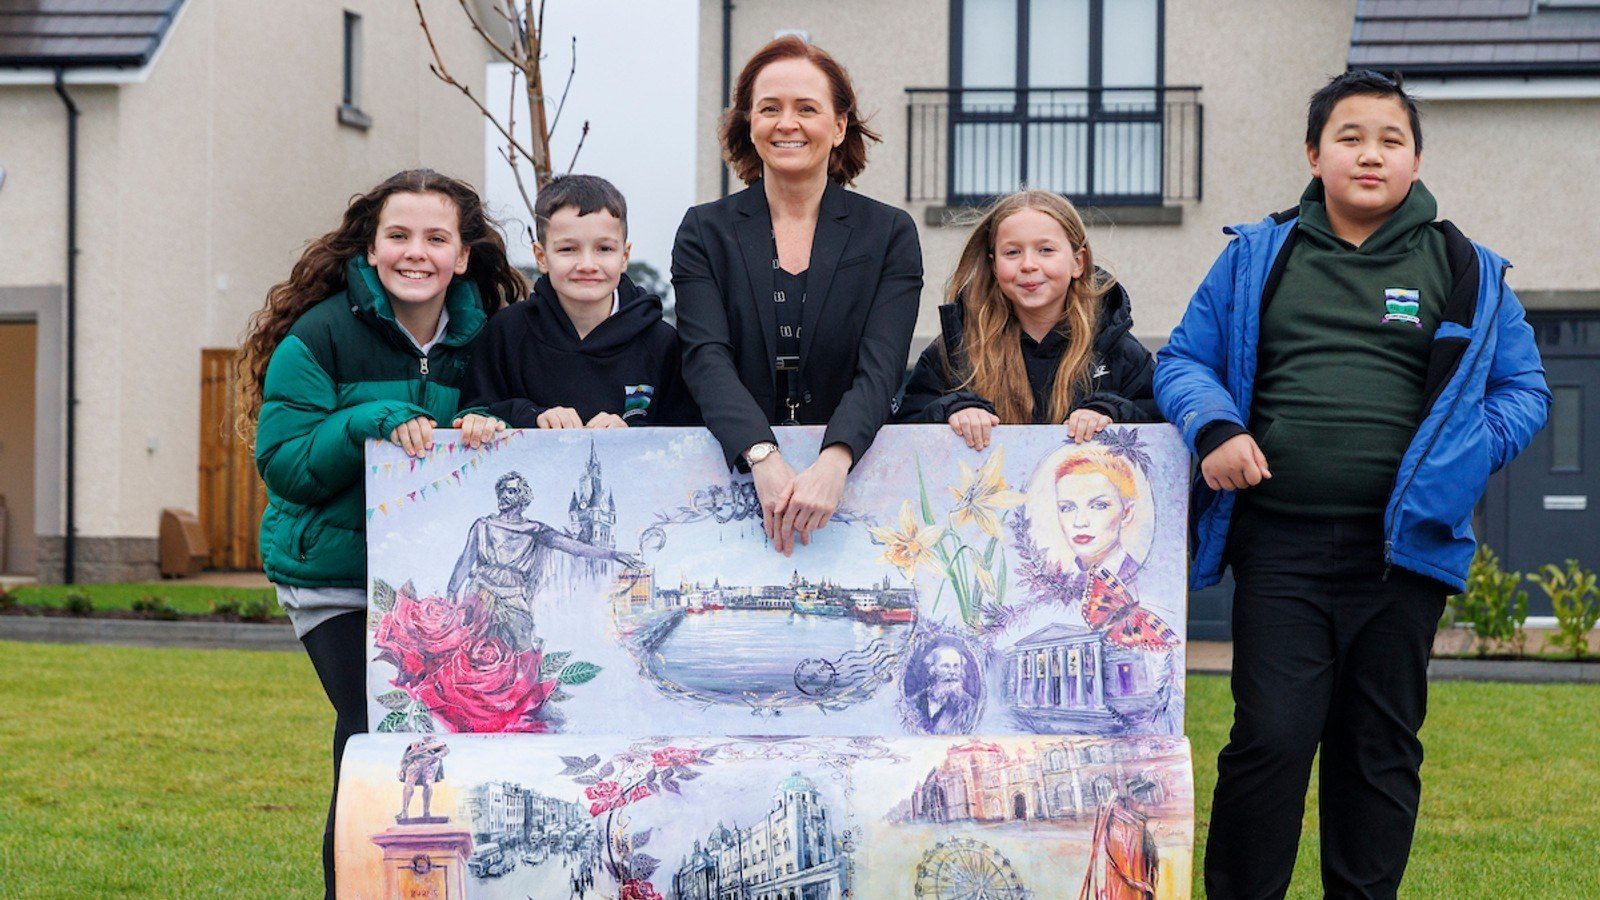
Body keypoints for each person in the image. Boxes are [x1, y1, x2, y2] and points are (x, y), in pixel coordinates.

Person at [1154, 71, 1549, 899]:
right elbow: (1183, 359)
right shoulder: (1257, 256)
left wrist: (1465, 456)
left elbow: (1526, 391)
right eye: (1350, 137)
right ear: (1314, 153)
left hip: (1403, 554)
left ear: (1414, 161)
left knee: (1378, 748)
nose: (1370, 154)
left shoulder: (1466, 267)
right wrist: (1216, 428)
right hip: (1281, 546)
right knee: (1270, 741)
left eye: (1390, 140)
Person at [241, 169, 525, 899]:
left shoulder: (486, 337)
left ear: (463, 256)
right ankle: (352, 886)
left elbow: (509, 422)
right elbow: (287, 465)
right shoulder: (321, 336)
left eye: (436, 238)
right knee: (373, 730)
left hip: (430, 584)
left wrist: (499, 419)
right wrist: (370, 422)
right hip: (334, 575)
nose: (415, 252)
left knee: (436, 738)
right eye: (398, 236)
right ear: (370, 249)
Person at [672, 36, 923, 555]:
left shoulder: (889, 233)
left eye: (806, 108)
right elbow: (705, 358)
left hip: (857, 487)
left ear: (838, 126)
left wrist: (835, 460)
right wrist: (761, 455)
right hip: (732, 490)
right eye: (770, 108)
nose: (787, 123)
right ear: (749, 123)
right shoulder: (703, 231)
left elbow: (882, 368)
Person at [895, 189, 1158, 449]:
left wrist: (1113, 413)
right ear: (994, 266)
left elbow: (1161, 429)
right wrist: (951, 411)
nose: (1028, 264)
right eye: (1012, 253)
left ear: (1078, 262)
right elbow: (905, 432)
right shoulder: (956, 349)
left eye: (1045, 250)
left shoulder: (1118, 350)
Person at [458, 175, 699, 433]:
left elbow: (686, 435)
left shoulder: (661, 343)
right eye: (568, 250)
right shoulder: (506, 332)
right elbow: (477, 414)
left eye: (604, 249)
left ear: (624, 256)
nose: (587, 265)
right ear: (541, 257)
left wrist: (633, 432)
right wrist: (532, 417)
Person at [447, 470, 641, 650]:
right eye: (502, 490)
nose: (504, 495)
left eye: (512, 491)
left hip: (514, 597)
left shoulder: (535, 530)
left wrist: (613, 554)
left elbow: (575, 548)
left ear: (522, 498)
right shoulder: (483, 525)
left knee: (522, 653)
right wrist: (450, 595)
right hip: (480, 593)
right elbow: (465, 561)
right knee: (472, 648)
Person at [907, 644, 979, 734]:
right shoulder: (914, 703)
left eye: (956, 666)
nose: (952, 672)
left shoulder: (969, 706)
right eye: (946, 666)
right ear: (932, 669)